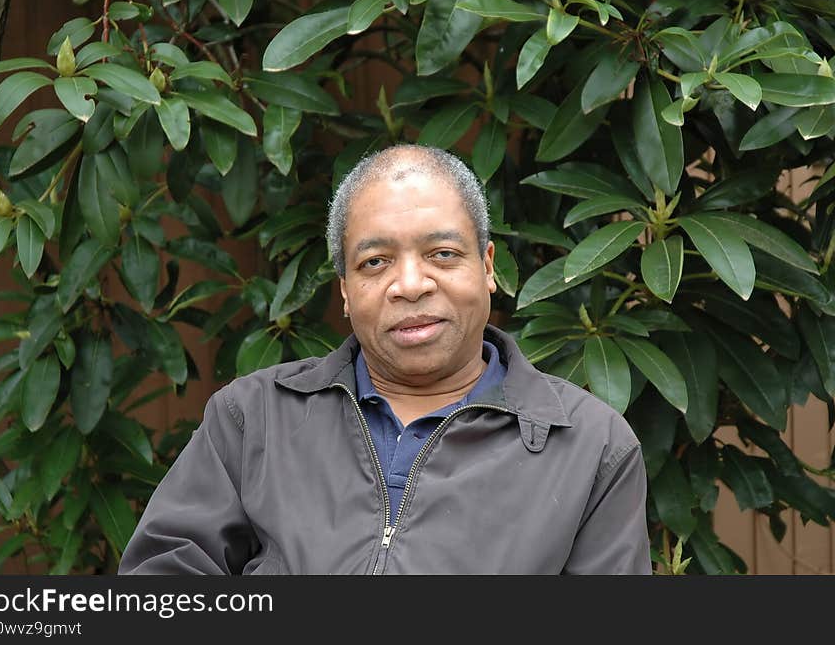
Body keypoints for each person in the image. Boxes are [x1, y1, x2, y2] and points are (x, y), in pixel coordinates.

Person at [118, 144, 652, 575]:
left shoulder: (590, 447)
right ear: (346, 290)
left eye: (443, 254)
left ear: (488, 266)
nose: (411, 285)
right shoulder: (251, 419)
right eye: (375, 262)